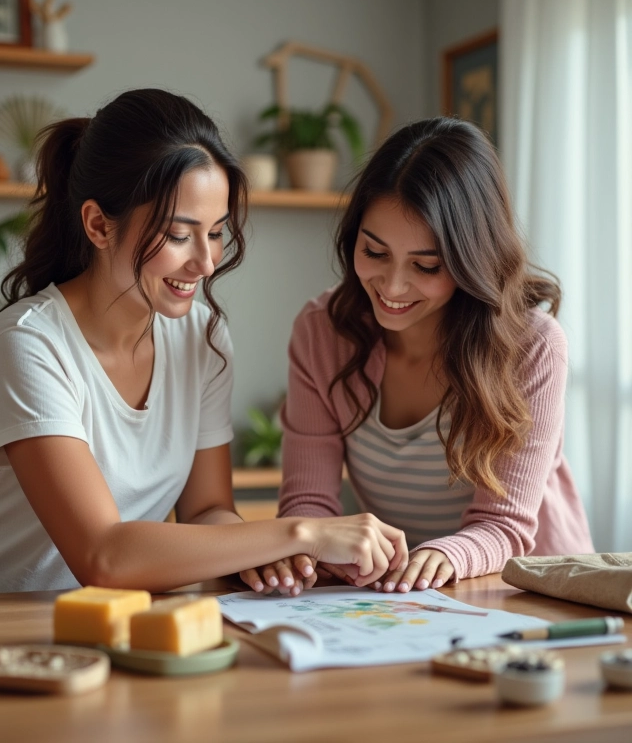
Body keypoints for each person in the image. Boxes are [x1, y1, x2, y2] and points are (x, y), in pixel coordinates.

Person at [0, 88, 408, 596]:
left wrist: (263, 555)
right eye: (180, 235)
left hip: (73, 624)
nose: (205, 263)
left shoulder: (201, 339)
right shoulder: (27, 349)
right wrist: (304, 533)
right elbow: (104, 555)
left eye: (215, 232)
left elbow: (206, 510)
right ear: (98, 225)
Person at [247, 116, 593, 596]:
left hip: (530, 593)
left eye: (426, 266)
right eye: (375, 252)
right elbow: (308, 501)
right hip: (404, 597)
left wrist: (441, 554)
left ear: (471, 259)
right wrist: (311, 552)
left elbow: (506, 526)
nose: (391, 287)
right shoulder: (322, 331)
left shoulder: (532, 346)